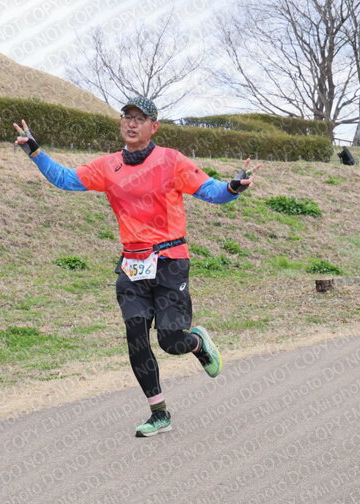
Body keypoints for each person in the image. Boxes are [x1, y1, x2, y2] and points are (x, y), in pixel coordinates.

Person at [13, 96, 261, 437]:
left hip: (170, 261)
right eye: (127, 116)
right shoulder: (108, 166)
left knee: (171, 341)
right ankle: (159, 413)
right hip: (132, 265)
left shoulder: (171, 160)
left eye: (139, 118)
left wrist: (233, 186)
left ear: (153, 127)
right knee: (136, 337)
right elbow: (66, 179)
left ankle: (196, 343)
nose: (131, 123)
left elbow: (210, 190)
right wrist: (35, 152)